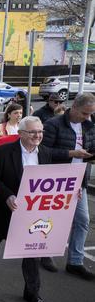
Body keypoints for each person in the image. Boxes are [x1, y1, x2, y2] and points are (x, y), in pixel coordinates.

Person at [0, 116, 53, 302]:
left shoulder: (45, 153)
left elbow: (53, 181)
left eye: (40, 131)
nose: (38, 136)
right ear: (21, 133)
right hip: (6, 207)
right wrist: (8, 195)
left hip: (33, 212)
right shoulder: (3, 151)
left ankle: (32, 293)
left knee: (32, 251)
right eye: (33, 132)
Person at [39, 92, 95, 280]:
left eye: (91, 113)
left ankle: (75, 261)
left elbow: (91, 148)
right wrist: (71, 153)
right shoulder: (53, 124)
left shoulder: (89, 125)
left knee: (82, 220)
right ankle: (45, 253)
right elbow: (43, 151)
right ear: (75, 108)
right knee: (51, 219)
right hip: (57, 180)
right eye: (85, 113)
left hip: (79, 180)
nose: (88, 117)